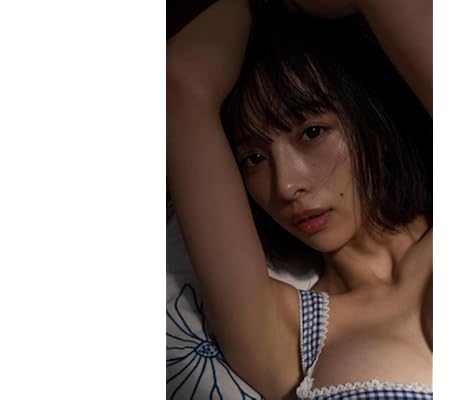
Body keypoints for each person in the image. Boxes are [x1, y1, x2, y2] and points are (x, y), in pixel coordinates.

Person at [167, 0, 432, 398]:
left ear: (374, 124)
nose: (286, 186)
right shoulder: (282, 331)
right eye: (254, 159)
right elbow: (179, 82)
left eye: (311, 133)